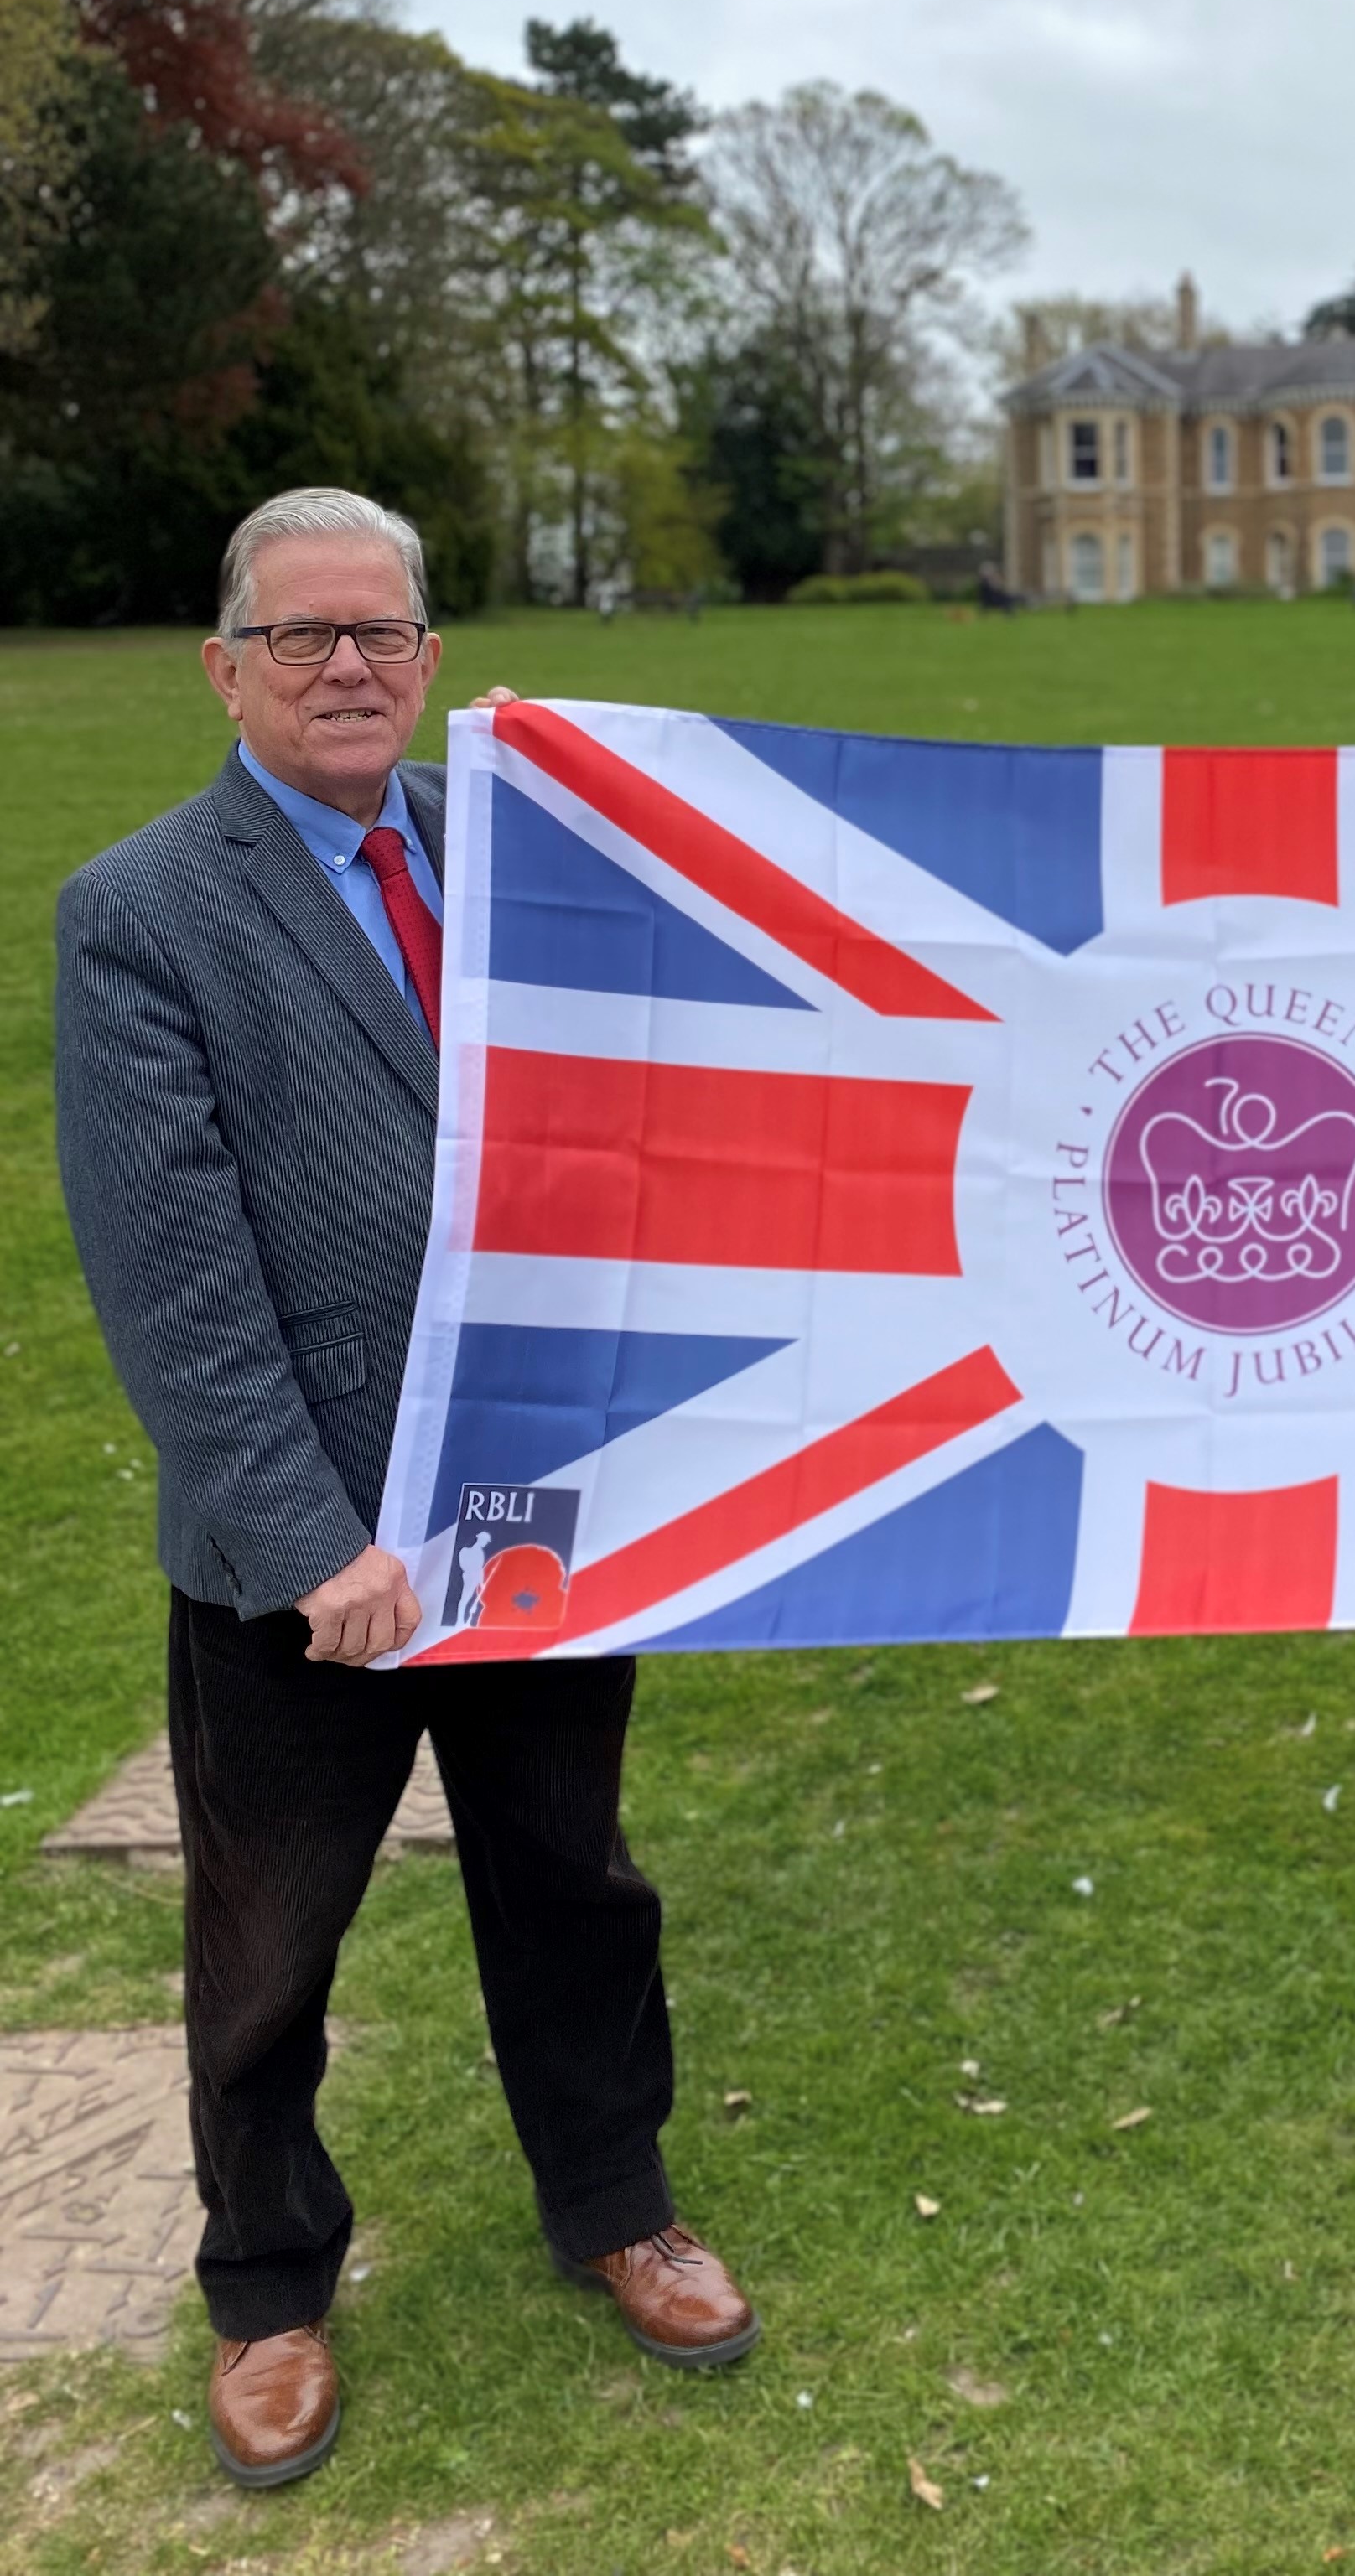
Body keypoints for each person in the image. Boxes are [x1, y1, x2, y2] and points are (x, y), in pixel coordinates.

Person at [54, 488, 758, 2494]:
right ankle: (269, 2290)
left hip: (536, 1514)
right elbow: (175, 1283)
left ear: (433, 659)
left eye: (382, 633)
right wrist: (306, 1546)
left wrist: (589, 781)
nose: (346, 666)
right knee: (272, 1938)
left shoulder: (511, 842)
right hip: (315, 1556)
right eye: (302, 638)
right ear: (228, 669)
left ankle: (616, 2200)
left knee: (573, 1882)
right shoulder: (143, 914)